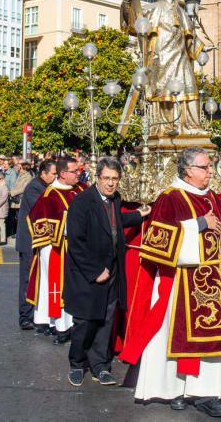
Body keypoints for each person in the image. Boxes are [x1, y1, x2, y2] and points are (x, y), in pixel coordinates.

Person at [121, 147, 221, 417]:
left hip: (211, 283)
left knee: (210, 340)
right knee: (175, 336)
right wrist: (198, 224)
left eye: (210, 166)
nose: (211, 171)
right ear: (189, 170)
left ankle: (207, 392)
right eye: (205, 167)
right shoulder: (170, 197)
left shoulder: (211, 196)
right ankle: (176, 390)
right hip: (180, 282)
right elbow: (157, 239)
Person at [64, 157, 149, 387]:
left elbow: (115, 222)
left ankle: (100, 366)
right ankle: (77, 363)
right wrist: (95, 271)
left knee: (105, 320)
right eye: (107, 179)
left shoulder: (114, 199)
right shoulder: (82, 202)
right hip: (88, 274)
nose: (111, 184)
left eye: (115, 179)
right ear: (97, 178)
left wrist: (139, 215)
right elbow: (76, 241)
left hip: (112, 271)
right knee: (85, 321)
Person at [121, 0, 206, 136]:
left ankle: (191, 125)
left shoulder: (181, 11)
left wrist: (202, 49)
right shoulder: (152, 9)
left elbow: (190, 34)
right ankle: (167, 126)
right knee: (164, 91)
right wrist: (126, 3)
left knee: (189, 87)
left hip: (181, 57)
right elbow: (133, 23)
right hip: (161, 56)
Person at [26, 156, 84, 343]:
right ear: (63, 173)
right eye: (75, 171)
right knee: (60, 289)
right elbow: (39, 223)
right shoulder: (49, 196)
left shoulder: (82, 189)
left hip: (81, 249)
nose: (79, 174)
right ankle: (61, 326)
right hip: (59, 249)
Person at [15, 159, 57, 330]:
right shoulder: (34, 187)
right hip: (29, 242)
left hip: (40, 241)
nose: (55, 177)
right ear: (43, 173)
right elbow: (45, 208)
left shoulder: (46, 187)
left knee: (40, 280)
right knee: (27, 279)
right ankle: (25, 315)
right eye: (53, 174)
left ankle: (39, 315)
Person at [0, 170, 9, 245]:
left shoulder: (4, 187)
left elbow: (2, 199)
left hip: (2, 208)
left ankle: (3, 239)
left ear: (3, 179)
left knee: (1, 224)